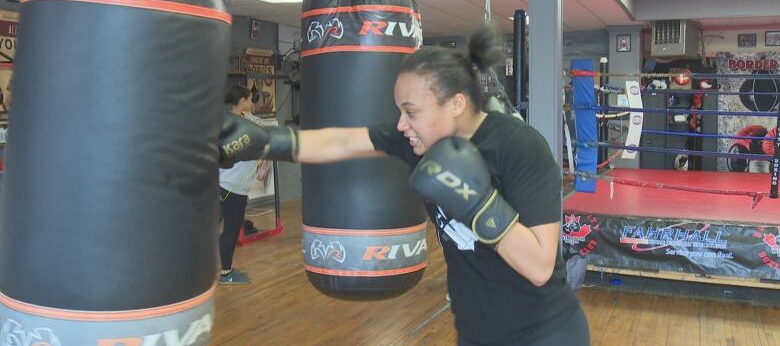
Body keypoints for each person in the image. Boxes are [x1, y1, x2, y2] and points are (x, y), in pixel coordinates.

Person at [218, 24, 590, 345]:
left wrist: (477, 201)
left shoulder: (519, 147)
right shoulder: (420, 141)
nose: (400, 124)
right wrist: (267, 140)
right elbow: (341, 141)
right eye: (399, 111)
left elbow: (541, 266)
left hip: (545, 334)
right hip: (477, 333)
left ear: (457, 104)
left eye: (411, 112)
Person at [217, 85, 261, 285]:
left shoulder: (224, 122)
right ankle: (226, 273)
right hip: (232, 189)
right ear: (242, 100)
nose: (252, 103)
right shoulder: (246, 125)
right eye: (250, 99)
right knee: (231, 231)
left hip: (219, 185)